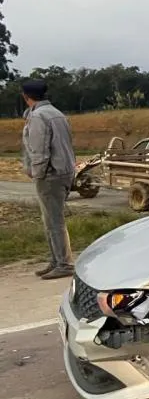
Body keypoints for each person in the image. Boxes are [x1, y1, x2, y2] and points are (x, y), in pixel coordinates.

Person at [20, 79, 77, 279]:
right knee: (52, 219)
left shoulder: (38, 117)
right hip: (64, 170)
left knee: (54, 221)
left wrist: (37, 172)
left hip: (50, 174)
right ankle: (56, 260)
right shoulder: (57, 114)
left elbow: (39, 149)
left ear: (26, 97)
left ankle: (63, 263)